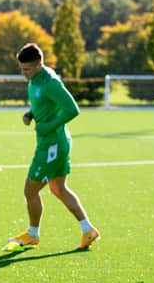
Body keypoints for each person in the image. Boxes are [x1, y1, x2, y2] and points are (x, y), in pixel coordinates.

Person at [6, 43, 100, 251]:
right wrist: (31, 114)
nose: (24, 74)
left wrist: (47, 125)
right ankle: (88, 230)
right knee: (58, 188)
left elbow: (73, 109)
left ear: (39, 64)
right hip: (52, 142)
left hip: (53, 145)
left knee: (30, 190)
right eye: (21, 69)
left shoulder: (51, 82)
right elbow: (44, 103)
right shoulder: (36, 79)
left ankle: (33, 234)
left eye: (28, 69)